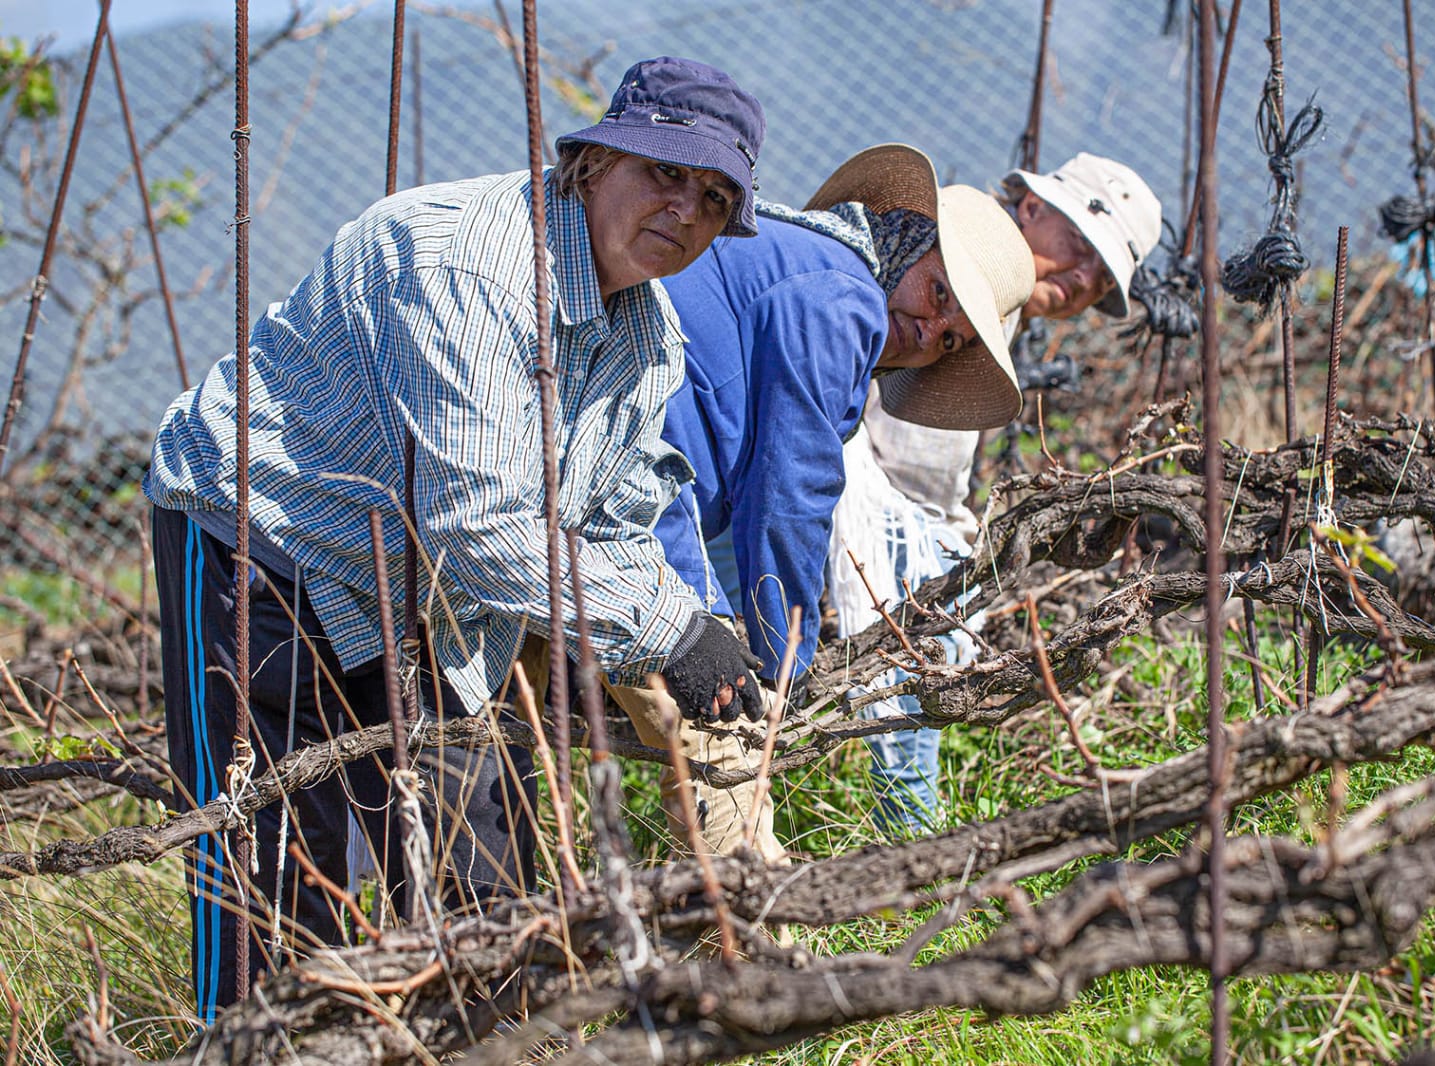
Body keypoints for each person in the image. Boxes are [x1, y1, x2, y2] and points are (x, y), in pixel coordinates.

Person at [144, 56, 766, 1019]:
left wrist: (694, 629)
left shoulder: (648, 340)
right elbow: (482, 530)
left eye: (717, 198)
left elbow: (607, 522)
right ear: (595, 161)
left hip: (426, 587)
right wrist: (665, 631)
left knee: (489, 879)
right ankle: (251, 1041)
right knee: (272, 876)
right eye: (666, 173)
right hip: (264, 541)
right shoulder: (468, 265)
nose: (687, 211)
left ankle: (487, 1036)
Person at [624, 143, 1036, 860]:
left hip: (603, 487)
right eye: (940, 295)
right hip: (632, 504)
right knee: (726, 742)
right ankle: (748, 942)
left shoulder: (811, 266)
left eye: (949, 340)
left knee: (496, 726)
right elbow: (792, 494)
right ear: (910, 237)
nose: (927, 331)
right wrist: (783, 672)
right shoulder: (842, 295)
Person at [829, 152, 1162, 833]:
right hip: (848, 488)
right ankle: (910, 840)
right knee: (909, 640)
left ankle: (906, 831)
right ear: (1033, 206)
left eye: (1102, 280)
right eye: (1082, 250)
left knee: (924, 636)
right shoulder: (958, 262)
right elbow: (872, 421)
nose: (1083, 281)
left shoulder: (1000, 302)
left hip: (895, 505)